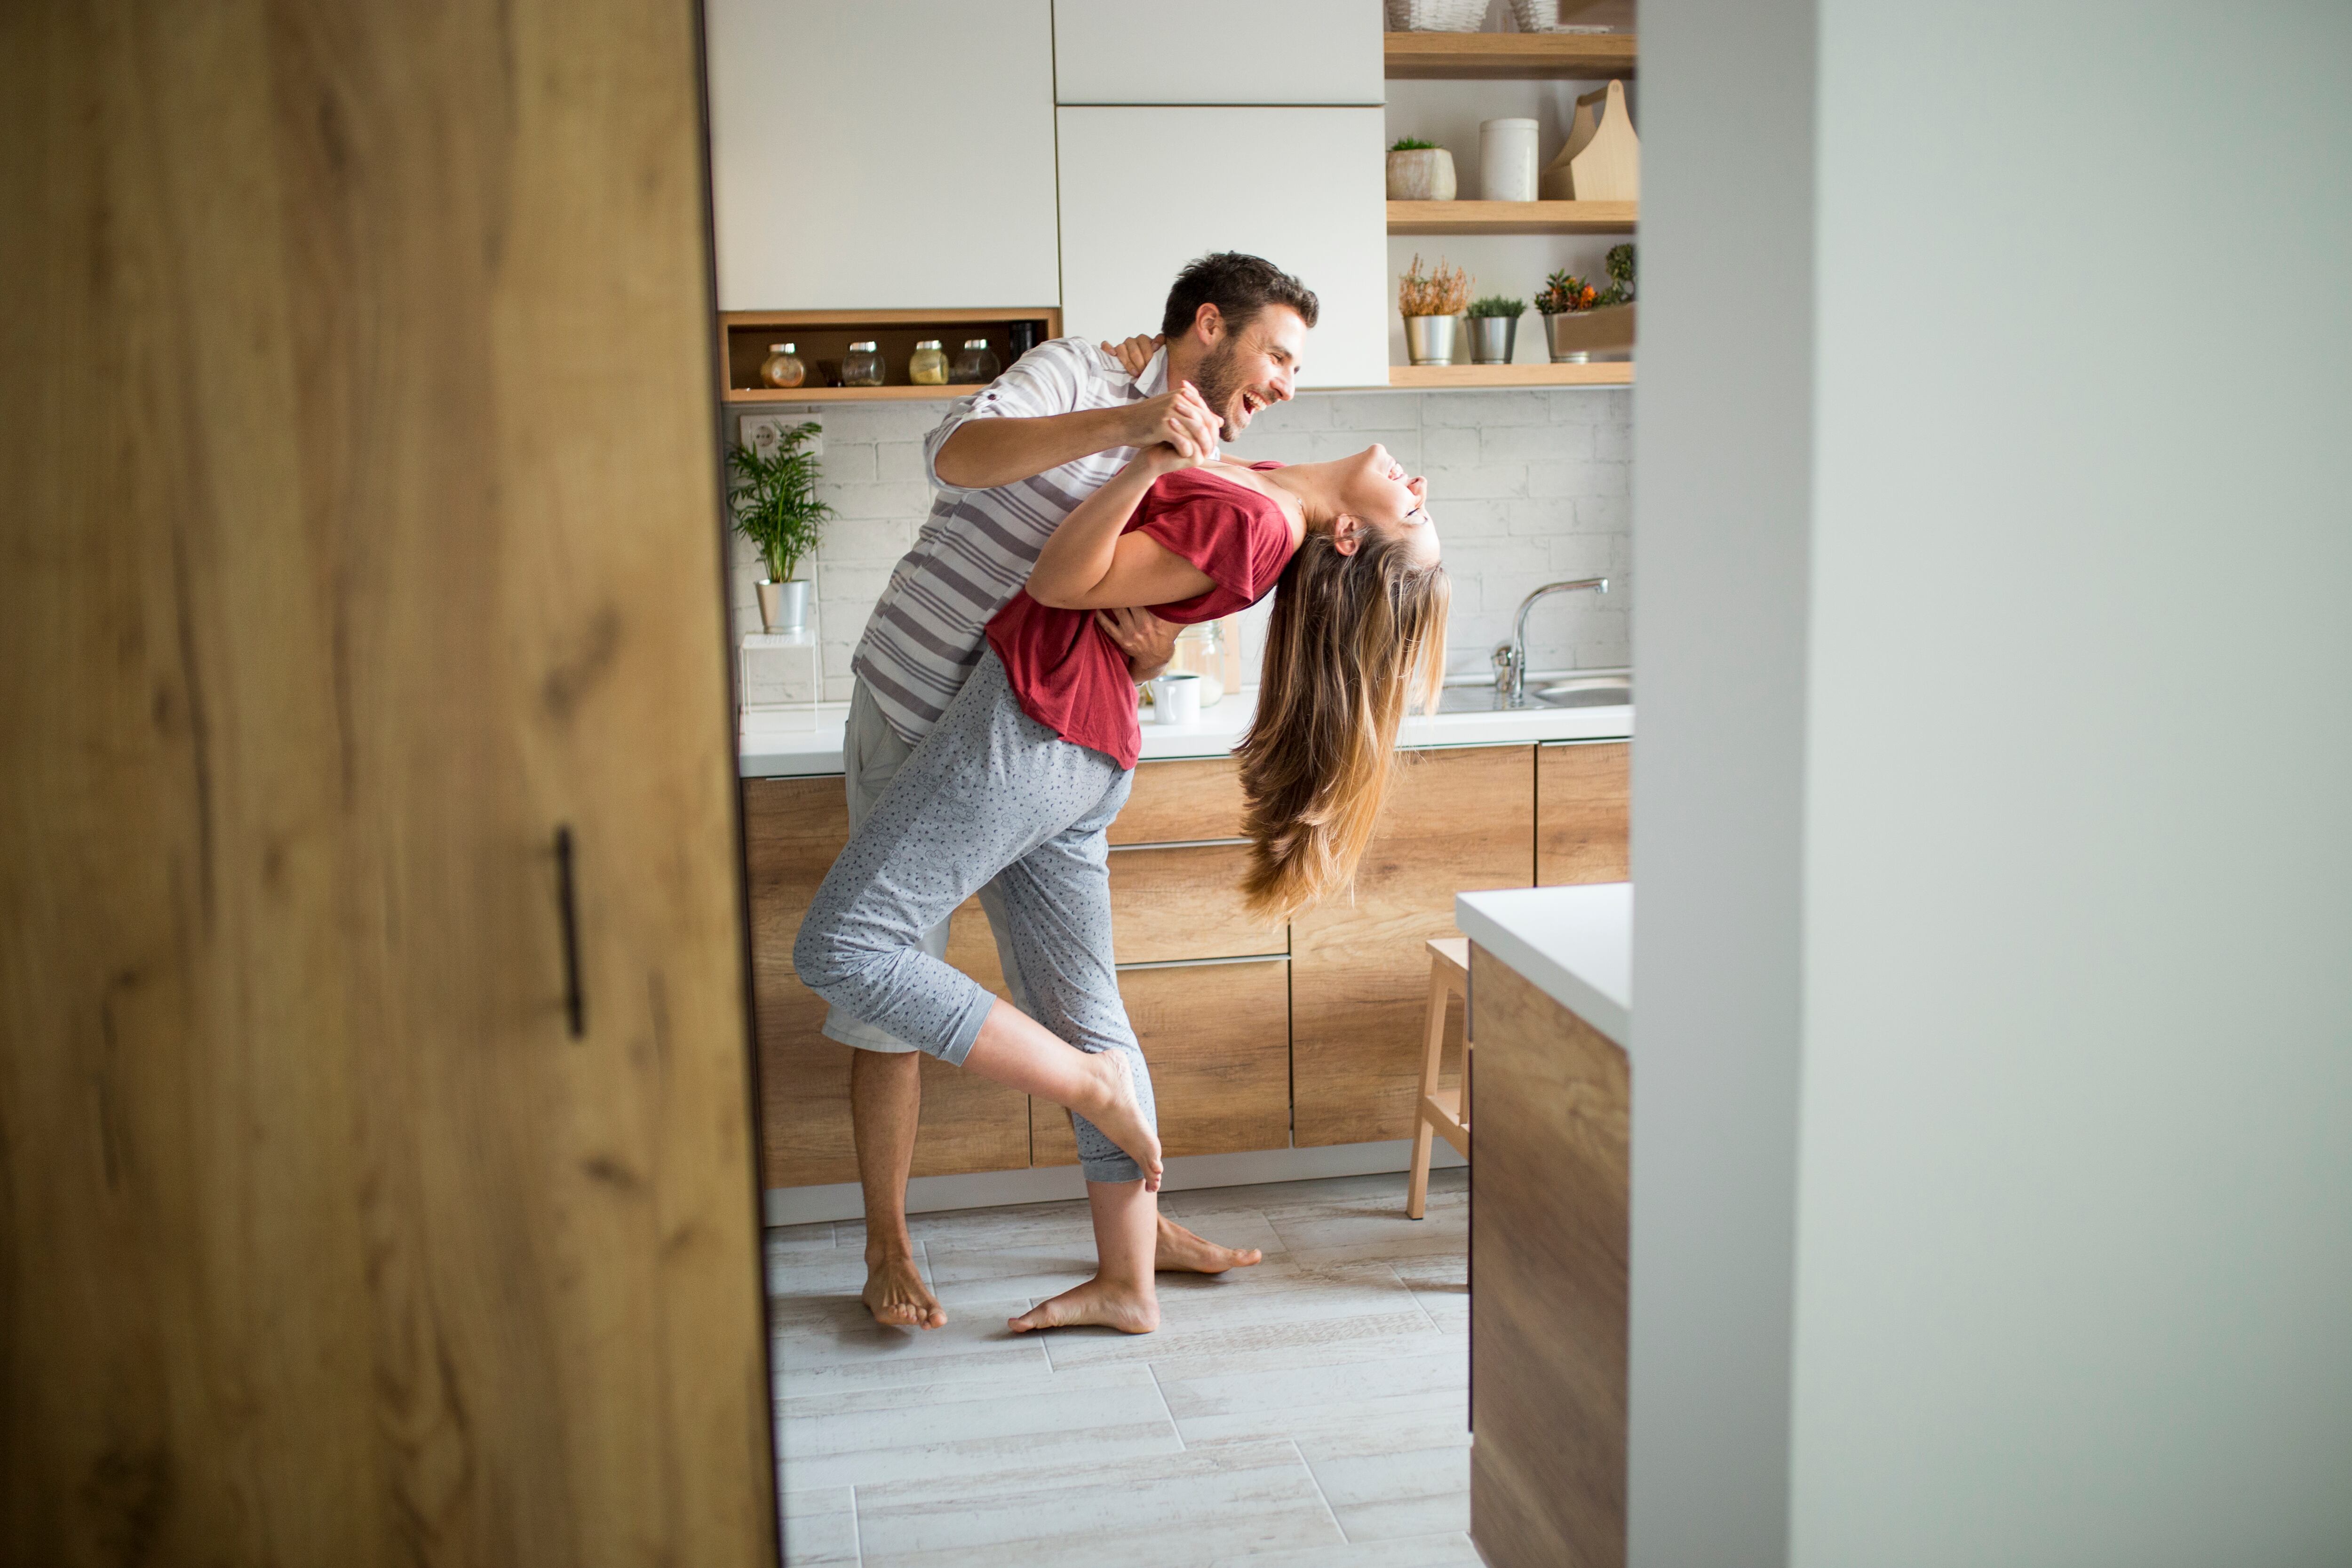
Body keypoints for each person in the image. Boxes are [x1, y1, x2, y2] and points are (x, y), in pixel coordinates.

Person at [795, 414, 1448, 1335]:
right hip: (1085, 744)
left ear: (1349, 536)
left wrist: (1148, 465)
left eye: (1411, 512)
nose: (1419, 486)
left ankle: (1087, 1085)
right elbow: (1153, 569)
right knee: (1085, 1008)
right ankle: (1127, 1279)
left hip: (1032, 722)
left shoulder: (1264, 522)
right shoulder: (1268, 488)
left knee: (843, 946)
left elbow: (1064, 581)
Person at [829, 254, 1321, 1330]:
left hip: (1028, 739)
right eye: (1278, 354)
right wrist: (1132, 424)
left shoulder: (1206, 459)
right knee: (880, 985)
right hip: (918, 707)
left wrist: (1149, 660)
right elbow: (954, 454)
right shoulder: (1074, 371)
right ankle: (888, 1242)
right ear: (1209, 324)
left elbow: (1139, 609)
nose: (1286, 382)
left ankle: (1138, 1233)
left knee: (1081, 995)